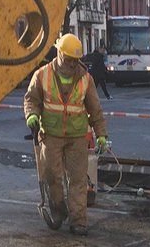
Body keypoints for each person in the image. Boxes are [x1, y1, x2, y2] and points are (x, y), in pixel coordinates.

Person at [23, 32, 109, 235]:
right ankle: (58, 211)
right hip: (50, 135)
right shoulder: (42, 75)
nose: (72, 65)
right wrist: (31, 116)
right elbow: (31, 99)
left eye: (76, 61)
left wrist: (101, 134)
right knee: (52, 176)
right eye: (69, 60)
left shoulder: (85, 78)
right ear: (60, 54)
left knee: (78, 179)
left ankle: (78, 221)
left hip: (77, 136)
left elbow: (95, 109)